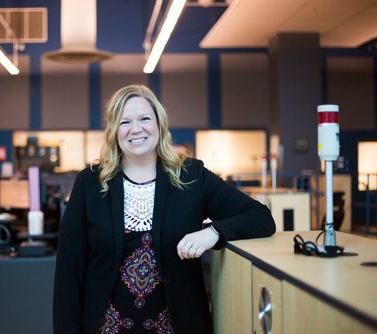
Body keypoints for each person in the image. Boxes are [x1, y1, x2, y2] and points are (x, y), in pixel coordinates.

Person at [53, 84, 276, 333]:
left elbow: (261, 217)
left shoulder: (191, 176)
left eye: (145, 118)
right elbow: (68, 274)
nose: (135, 129)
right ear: (114, 131)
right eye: (125, 122)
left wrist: (212, 233)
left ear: (159, 124)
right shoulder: (91, 183)